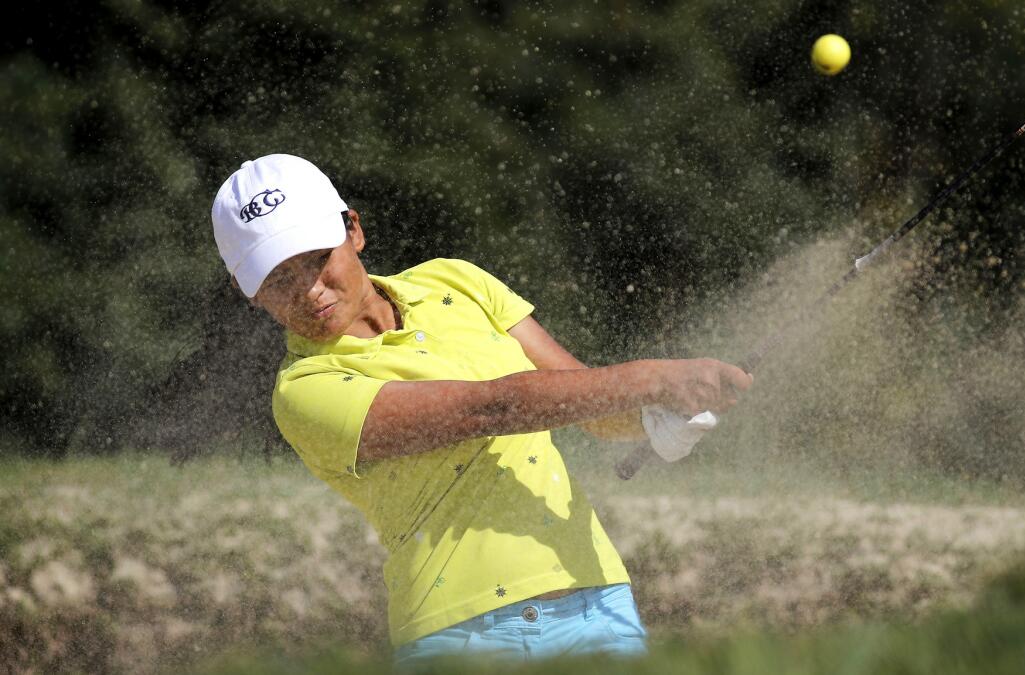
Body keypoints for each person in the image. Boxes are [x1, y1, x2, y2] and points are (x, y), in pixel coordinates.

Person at [210, 154, 752, 665]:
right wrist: (655, 380)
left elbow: (583, 401)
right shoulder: (305, 390)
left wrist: (657, 416)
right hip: (466, 636)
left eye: (316, 259)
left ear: (353, 229)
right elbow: (492, 409)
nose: (308, 290)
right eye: (278, 279)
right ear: (245, 290)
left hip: (598, 601)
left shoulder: (455, 282)